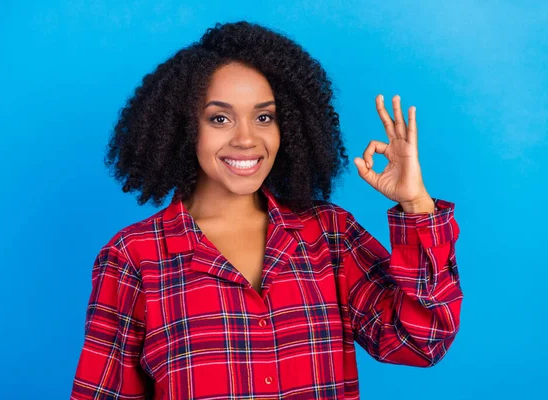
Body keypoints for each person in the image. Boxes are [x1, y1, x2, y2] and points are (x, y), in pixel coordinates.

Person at [70, 21, 462, 400]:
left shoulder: (330, 235)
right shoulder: (134, 258)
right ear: (184, 128)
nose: (246, 138)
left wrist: (416, 205)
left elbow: (420, 341)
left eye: (264, 117)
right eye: (219, 118)